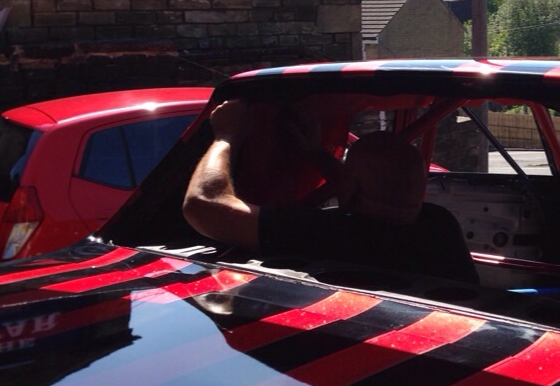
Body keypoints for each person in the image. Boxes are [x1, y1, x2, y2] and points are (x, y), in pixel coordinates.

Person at [183, 100, 477, 282]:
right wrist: (315, 152)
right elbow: (369, 190)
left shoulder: (329, 231)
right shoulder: (439, 225)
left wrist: (226, 135)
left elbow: (203, 204)